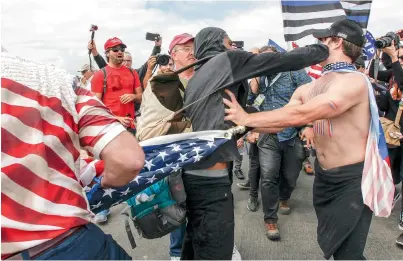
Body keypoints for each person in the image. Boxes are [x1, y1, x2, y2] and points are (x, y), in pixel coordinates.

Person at [223, 19, 395, 260]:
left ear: (338, 42)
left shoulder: (354, 81)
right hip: (325, 177)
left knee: (349, 254)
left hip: (351, 180)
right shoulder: (311, 86)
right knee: (335, 247)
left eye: (322, 40)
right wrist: (246, 123)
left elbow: (306, 113)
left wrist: (247, 119)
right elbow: (286, 119)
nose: (316, 45)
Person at [182, 27, 329, 260]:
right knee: (215, 250)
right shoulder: (226, 60)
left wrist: (281, 119)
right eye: (230, 43)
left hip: (193, 175)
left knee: (196, 240)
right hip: (211, 181)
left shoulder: (198, 79)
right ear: (218, 44)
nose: (234, 48)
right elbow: (281, 60)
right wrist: (323, 49)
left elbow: (244, 117)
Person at [1, 52, 145, 260]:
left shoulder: (130, 73)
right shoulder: (53, 79)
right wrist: (103, 184)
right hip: (67, 242)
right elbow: (128, 159)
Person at [247, 45, 312, 240]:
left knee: (291, 176)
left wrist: (308, 124)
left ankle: (284, 197)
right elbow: (250, 104)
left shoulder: (294, 73)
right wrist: (255, 81)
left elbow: (311, 96)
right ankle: (270, 219)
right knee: (268, 176)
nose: (266, 64)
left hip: (291, 133)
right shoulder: (258, 77)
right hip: (268, 136)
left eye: (270, 59)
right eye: (262, 60)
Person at [90, 37, 143, 222]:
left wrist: (133, 96)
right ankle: (101, 208)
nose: (119, 52)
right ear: (108, 53)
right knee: (107, 168)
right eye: (115, 49)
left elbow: (140, 96)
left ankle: (132, 200)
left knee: (131, 164)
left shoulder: (132, 73)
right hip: (108, 127)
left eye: (121, 48)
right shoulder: (100, 75)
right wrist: (115, 117)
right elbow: (94, 105)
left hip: (130, 126)